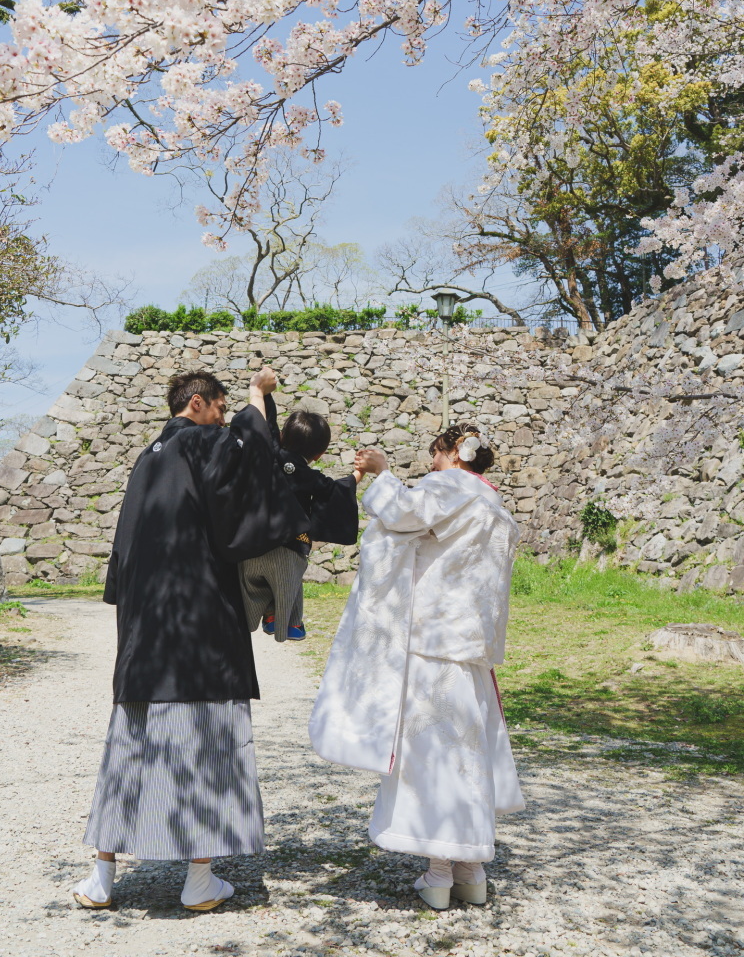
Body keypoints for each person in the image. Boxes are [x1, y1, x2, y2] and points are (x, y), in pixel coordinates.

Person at [74, 367, 309, 913]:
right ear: (199, 405)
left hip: (144, 628)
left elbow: (123, 548)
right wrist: (257, 400)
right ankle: (199, 880)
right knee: (207, 741)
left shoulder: (148, 456)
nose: (225, 420)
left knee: (130, 742)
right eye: (221, 409)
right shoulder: (206, 442)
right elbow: (249, 491)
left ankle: (101, 878)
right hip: (198, 618)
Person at [309, 422, 525, 911]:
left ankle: (439, 872)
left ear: (453, 453)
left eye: (436, 454)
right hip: (471, 647)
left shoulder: (450, 487)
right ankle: (472, 872)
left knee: (433, 757)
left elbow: (403, 513)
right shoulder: (494, 506)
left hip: (432, 640)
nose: (431, 465)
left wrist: (383, 472)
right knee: (468, 756)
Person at [239, 404, 361, 642]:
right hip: (290, 547)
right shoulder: (311, 477)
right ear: (320, 453)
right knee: (289, 586)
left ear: (282, 436)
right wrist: (359, 473)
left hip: (252, 542)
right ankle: (290, 623)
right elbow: (336, 490)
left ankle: (258, 614)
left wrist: (264, 394)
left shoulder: (269, 453)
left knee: (250, 587)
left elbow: (267, 424)